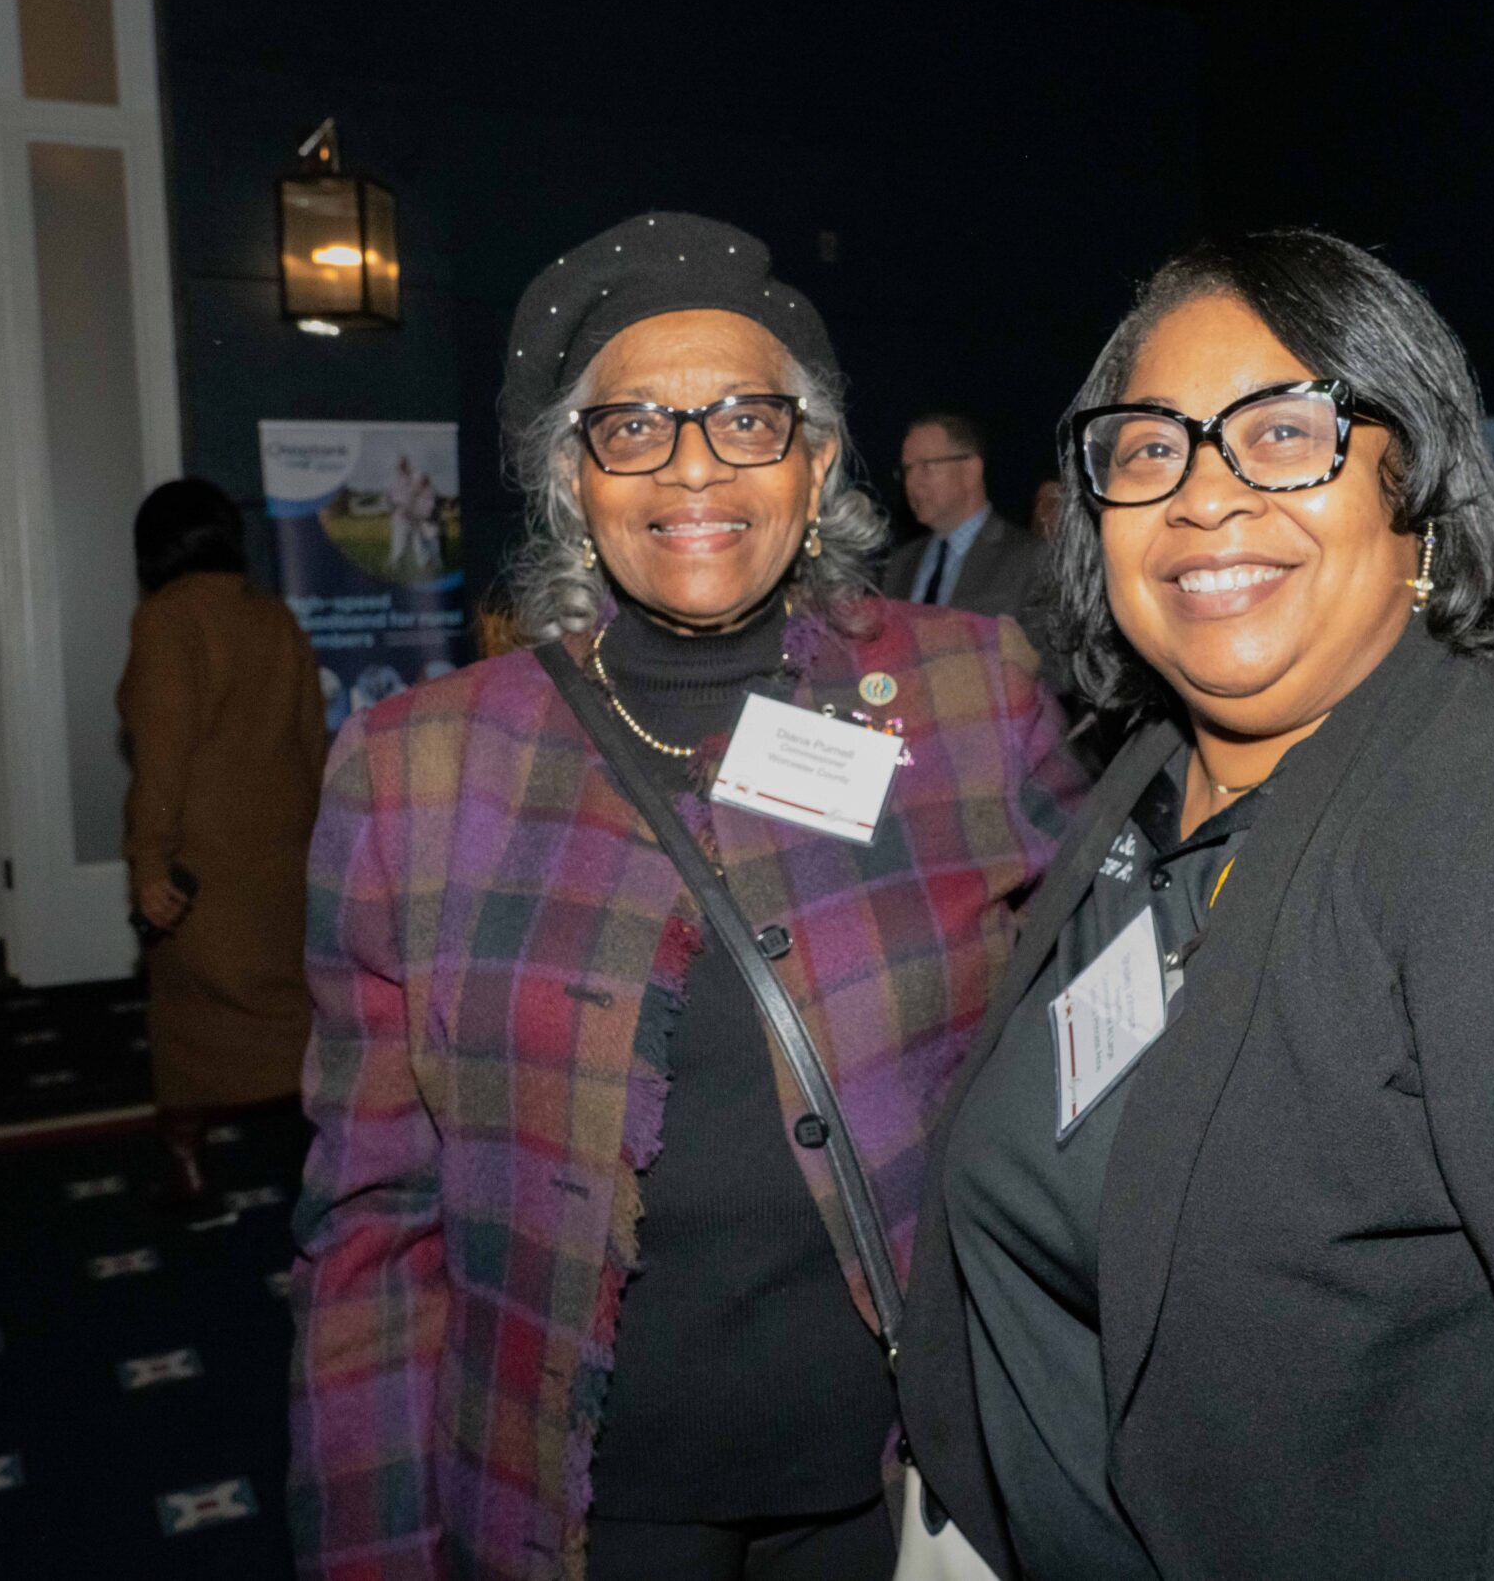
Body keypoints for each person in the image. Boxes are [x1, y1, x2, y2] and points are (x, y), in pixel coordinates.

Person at [900, 232, 1494, 1581]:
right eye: (1150, 448)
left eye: (1285, 432)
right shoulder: (1146, 787)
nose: (1205, 497)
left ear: (1415, 488)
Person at [289, 212, 1086, 1581]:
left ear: (819, 459)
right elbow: (372, 1214)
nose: (697, 464)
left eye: (746, 420)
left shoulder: (971, 691)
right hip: (584, 1493)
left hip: (894, 1470)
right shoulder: (414, 767)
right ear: (570, 479)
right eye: (635, 427)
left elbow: (1085, 1054)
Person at [116, 478, 327, 1208]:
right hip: (280, 856)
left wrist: (148, 858)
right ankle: (328, 1150)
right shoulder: (276, 619)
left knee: (188, 1017)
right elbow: (312, 745)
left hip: (200, 864)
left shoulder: (167, 621)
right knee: (292, 1007)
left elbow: (161, 759)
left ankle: (187, 1155)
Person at [883, 411, 1047, 620]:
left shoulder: (1030, 560)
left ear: (971, 470)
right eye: (907, 470)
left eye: (927, 467)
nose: (912, 483)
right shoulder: (898, 566)